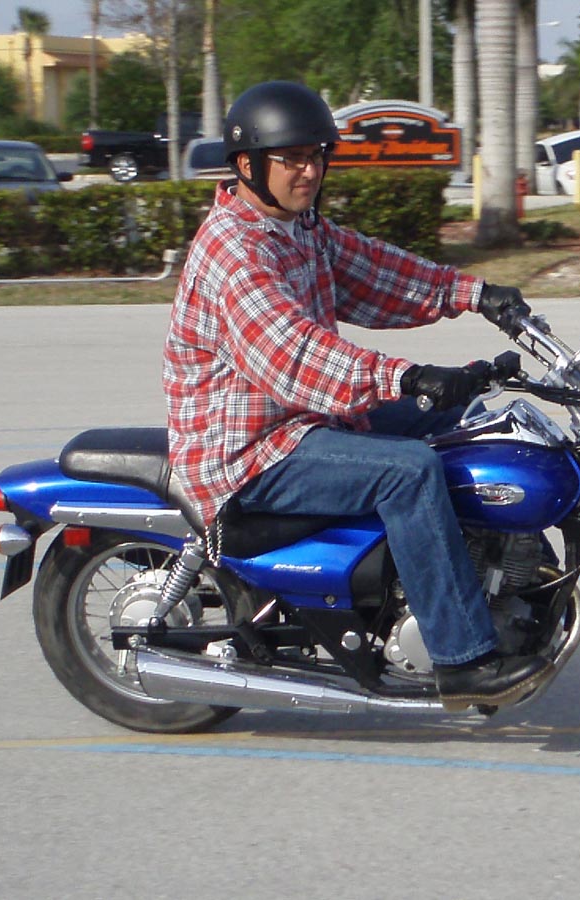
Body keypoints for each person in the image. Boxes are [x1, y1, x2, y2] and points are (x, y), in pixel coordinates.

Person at [163, 80, 550, 710]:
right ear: (248, 165)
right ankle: (462, 657)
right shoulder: (234, 252)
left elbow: (376, 273)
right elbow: (294, 357)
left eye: (317, 156)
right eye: (292, 158)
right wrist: (406, 377)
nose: (309, 170)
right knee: (410, 472)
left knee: (465, 417)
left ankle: (511, 586)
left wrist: (476, 295)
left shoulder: (296, 228)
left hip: (302, 420)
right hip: (249, 452)